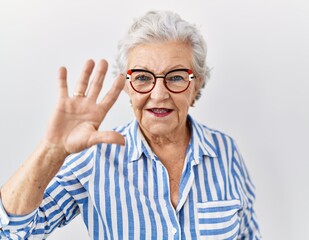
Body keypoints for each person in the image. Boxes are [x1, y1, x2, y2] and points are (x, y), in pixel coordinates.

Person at [0, 10, 261, 239]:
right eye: (143, 77)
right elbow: (12, 232)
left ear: (196, 85)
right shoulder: (95, 158)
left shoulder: (226, 151)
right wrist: (52, 150)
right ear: (126, 86)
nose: (159, 94)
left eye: (177, 77)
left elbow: (249, 235)